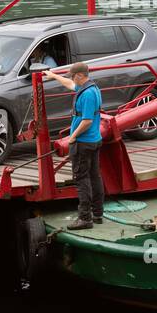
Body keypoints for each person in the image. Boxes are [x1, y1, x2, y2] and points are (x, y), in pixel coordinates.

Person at [44, 61, 104, 229]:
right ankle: (98, 213)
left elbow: (86, 121)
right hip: (94, 140)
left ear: (80, 75)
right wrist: (54, 76)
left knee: (81, 179)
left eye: (73, 76)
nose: (71, 79)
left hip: (83, 143)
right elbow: (70, 84)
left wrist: (73, 137)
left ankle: (85, 218)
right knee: (94, 176)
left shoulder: (87, 95)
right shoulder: (90, 87)